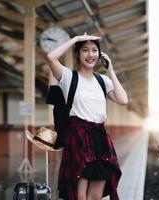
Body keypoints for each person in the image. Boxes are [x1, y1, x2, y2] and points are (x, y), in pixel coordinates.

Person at [47, 33, 128, 200]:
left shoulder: (102, 80)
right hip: (79, 138)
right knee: (79, 196)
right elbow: (51, 57)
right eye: (85, 50)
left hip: (100, 139)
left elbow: (123, 99)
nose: (90, 54)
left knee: (95, 197)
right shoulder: (69, 77)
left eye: (94, 50)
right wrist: (76, 39)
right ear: (78, 54)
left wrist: (110, 69)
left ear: (99, 54)